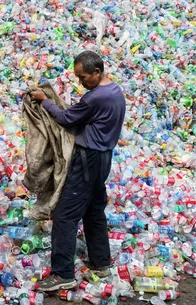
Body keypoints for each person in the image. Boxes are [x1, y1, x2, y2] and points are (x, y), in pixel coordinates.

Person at [29, 51, 126, 291]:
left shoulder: (96, 98)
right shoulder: (115, 91)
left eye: (84, 77)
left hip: (87, 160)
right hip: (104, 158)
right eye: (77, 77)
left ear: (97, 72)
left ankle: (62, 274)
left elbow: (65, 118)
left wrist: (44, 99)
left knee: (65, 215)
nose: (81, 82)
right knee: (94, 211)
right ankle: (101, 263)